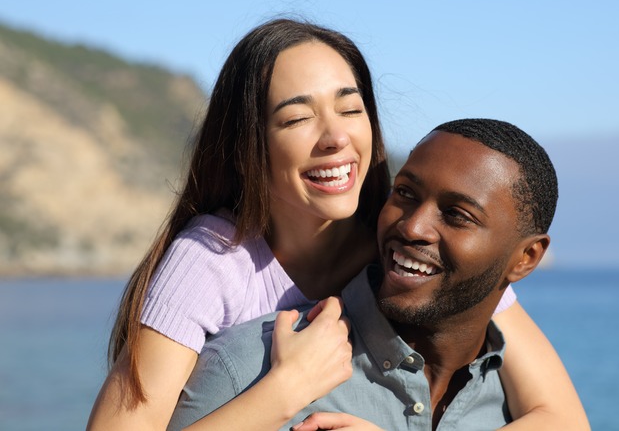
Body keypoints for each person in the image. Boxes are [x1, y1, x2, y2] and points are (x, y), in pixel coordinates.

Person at [88, 19, 586, 431]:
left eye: (351, 108)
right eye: (296, 119)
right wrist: (287, 388)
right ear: (249, 146)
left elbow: (561, 417)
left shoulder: (406, 244)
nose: (335, 137)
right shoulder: (214, 259)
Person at [169, 118, 589, 431]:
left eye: (457, 215)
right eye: (404, 193)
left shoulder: (517, 406)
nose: (411, 227)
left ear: (526, 258)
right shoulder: (248, 369)